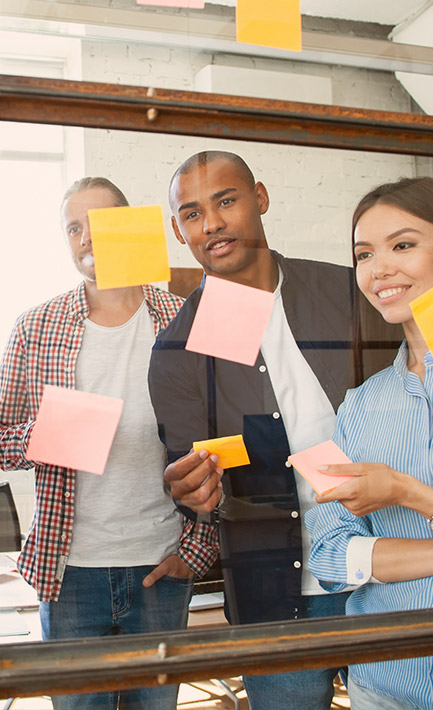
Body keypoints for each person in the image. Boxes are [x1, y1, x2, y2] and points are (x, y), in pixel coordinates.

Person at [148, 150, 357, 710]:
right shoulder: (177, 348)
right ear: (178, 230)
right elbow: (192, 476)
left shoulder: (349, 292)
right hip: (275, 590)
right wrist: (192, 491)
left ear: (259, 199)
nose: (211, 223)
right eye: (192, 214)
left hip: (385, 567)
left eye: (226, 201)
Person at [0, 177, 213, 710]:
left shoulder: (188, 320)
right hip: (70, 570)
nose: (86, 238)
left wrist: (197, 550)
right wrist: (51, 433)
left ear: (129, 225)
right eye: (73, 228)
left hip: (161, 564)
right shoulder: (35, 327)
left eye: (97, 224)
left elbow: (228, 443)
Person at [307, 177, 433, 710]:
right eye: (364, 253)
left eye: (403, 245)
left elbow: (360, 550)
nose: (380, 268)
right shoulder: (359, 406)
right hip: (387, 683)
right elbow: (329, 554)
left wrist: (406, 491)